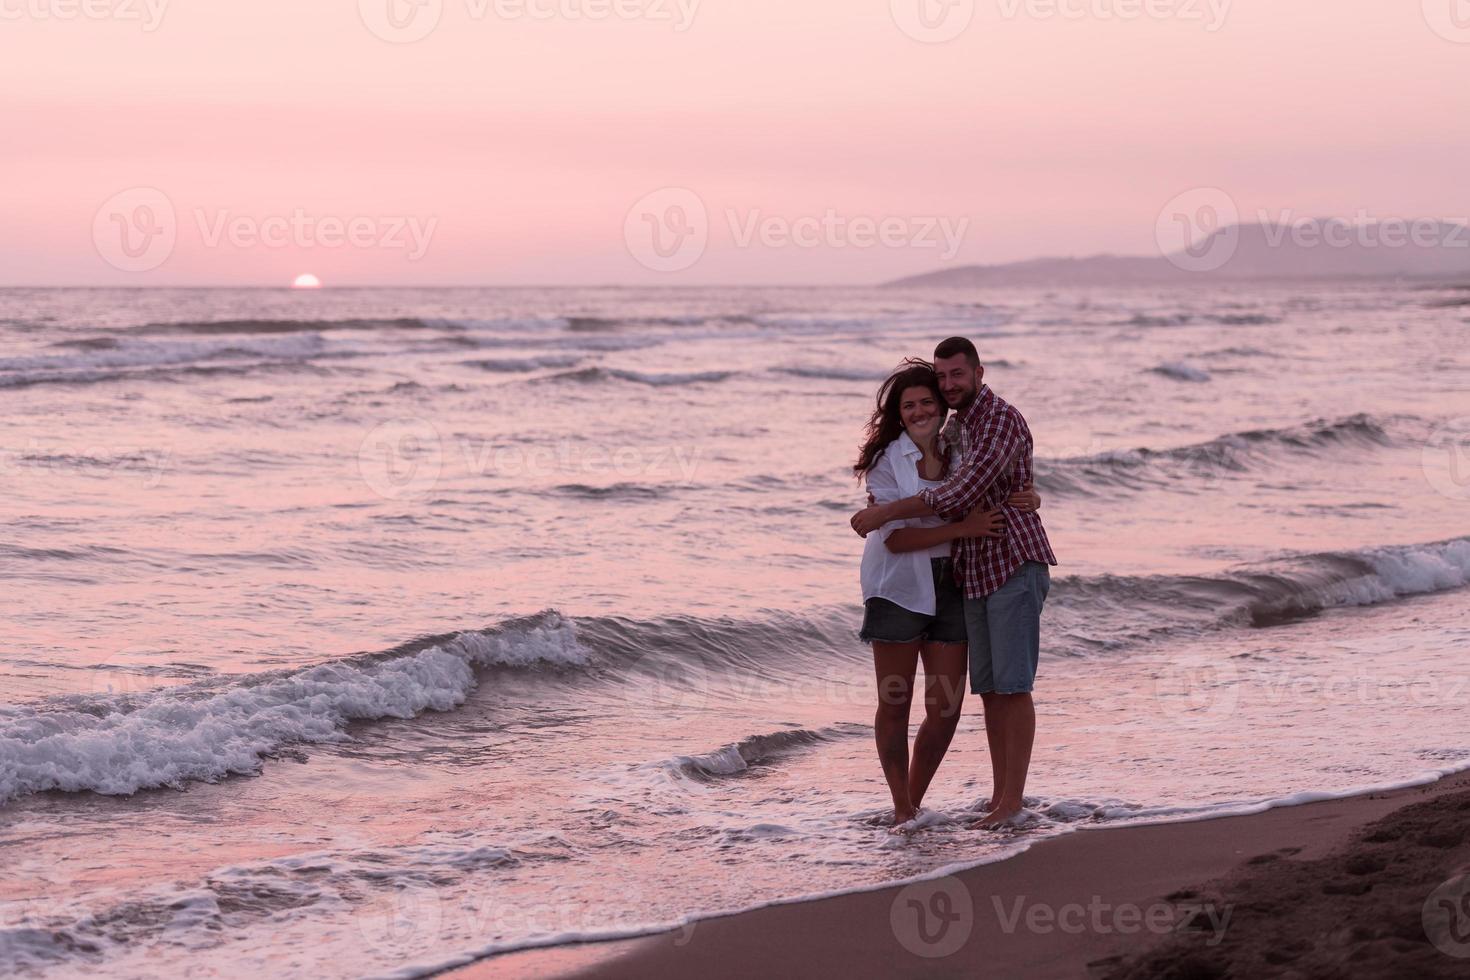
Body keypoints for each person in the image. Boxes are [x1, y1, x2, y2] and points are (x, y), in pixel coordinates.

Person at [851, 338, 1056, 829]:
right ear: (898, 414)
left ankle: (1003, 801)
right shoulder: (912, 450)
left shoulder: (977, 429)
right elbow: (897, 541)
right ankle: (909, 808)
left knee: (966, 700)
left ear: (976, 373)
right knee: (929, 697)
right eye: (913, 402)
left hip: (977, 573)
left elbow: (966, 491)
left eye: (941, 388)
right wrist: (983, 515)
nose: (933, 398)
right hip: (909, 586)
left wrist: (883, 511)